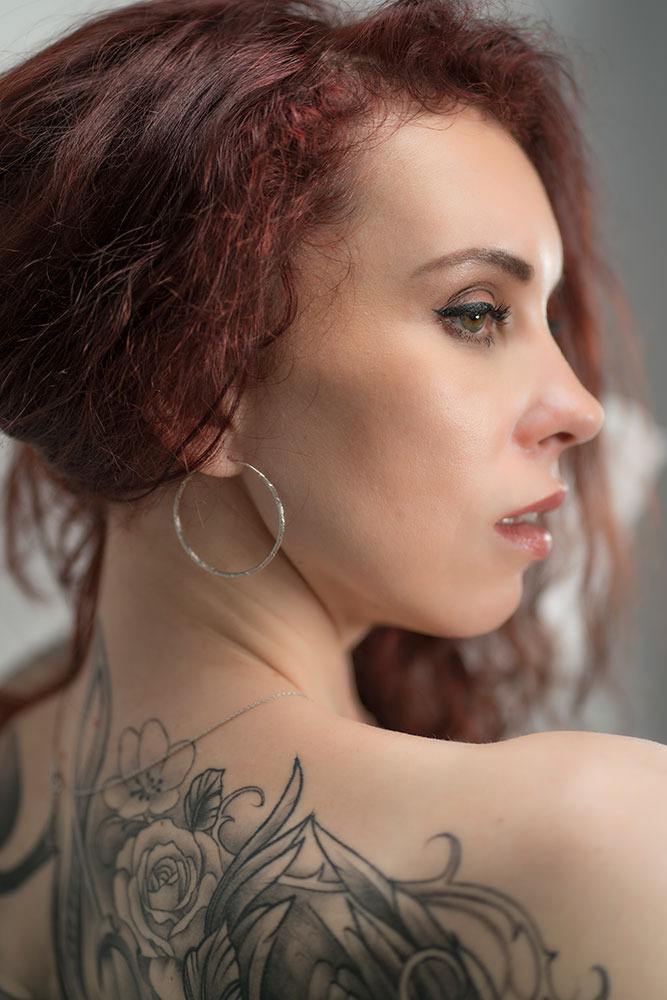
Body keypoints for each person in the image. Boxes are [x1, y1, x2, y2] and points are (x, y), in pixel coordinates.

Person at [1, 0, 666, 996]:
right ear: (197, 392)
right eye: (475, 313)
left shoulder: (23, 742)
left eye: (550, 318)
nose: (579, 408)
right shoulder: (602, 837)